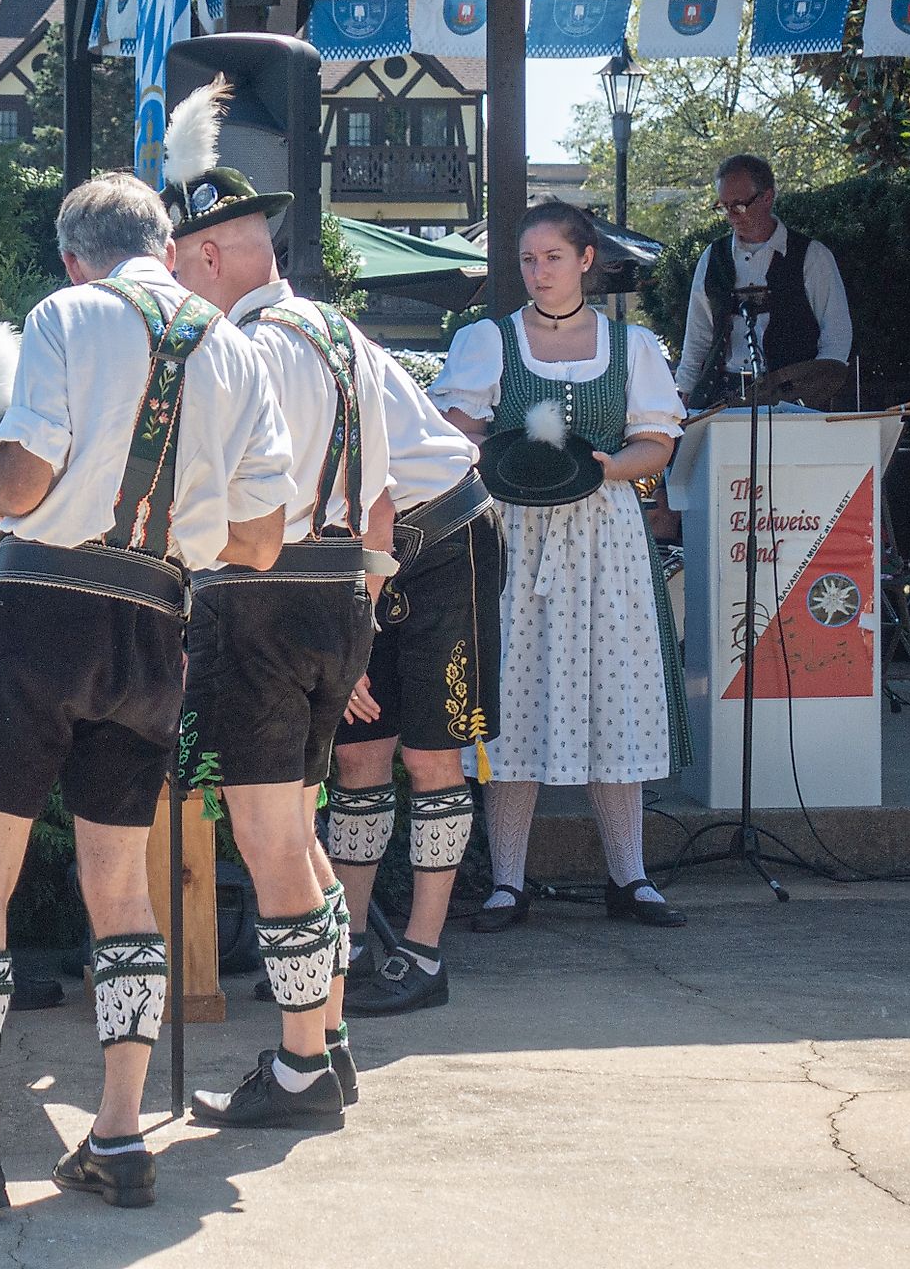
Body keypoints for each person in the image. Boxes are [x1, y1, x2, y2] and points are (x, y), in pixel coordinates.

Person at [0, 172, 291, 1220]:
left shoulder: (68, 314)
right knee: (121, 881)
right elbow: (262, 542)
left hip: (47, 613)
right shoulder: (234, 345)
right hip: (158, 623)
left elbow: (24, 483)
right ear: (168, 244)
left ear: (73, 255)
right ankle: (121, 1136)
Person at [164, 150, 387, 1129]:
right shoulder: (341, 335)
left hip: (258, 599)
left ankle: (300, 1068)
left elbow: (218, 499)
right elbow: (379, 503)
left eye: (175, 260)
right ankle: (328, 1042)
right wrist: (366, 621)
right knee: (297, 831)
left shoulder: (233, 351)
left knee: (269, 840)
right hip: (340, 598)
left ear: (208, 254)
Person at [431, 201, 690, 932]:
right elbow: (459, 433)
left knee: (614, 693)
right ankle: (507, 882)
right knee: (513, 693)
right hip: (515, 532)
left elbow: (656, 444)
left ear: (585, 260)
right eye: (526, 260)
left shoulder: (631, 345)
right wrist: (499, 456)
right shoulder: (489, 340)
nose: (537, 272)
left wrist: (607, 469)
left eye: (551, 257)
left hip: (604, 535)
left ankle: (630, 877)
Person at [329, 333, 496, 1017]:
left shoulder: (282, 351)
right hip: (372, 553)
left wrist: (351, 640)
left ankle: (424, 955)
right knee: (358, 749)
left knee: (432, 753)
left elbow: (376, 505)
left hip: (444, 541)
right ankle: (351, 944)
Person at [675, 153, 852, 407]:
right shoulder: (713, 257)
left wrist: (817, 390)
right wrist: (685, 389)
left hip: (791, 399)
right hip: (722, 397)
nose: (731, 215)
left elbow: (836, 333)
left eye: (738, 205)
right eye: (723, 207)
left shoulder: (811, 256)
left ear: (767, 197)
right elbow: (698, 334)